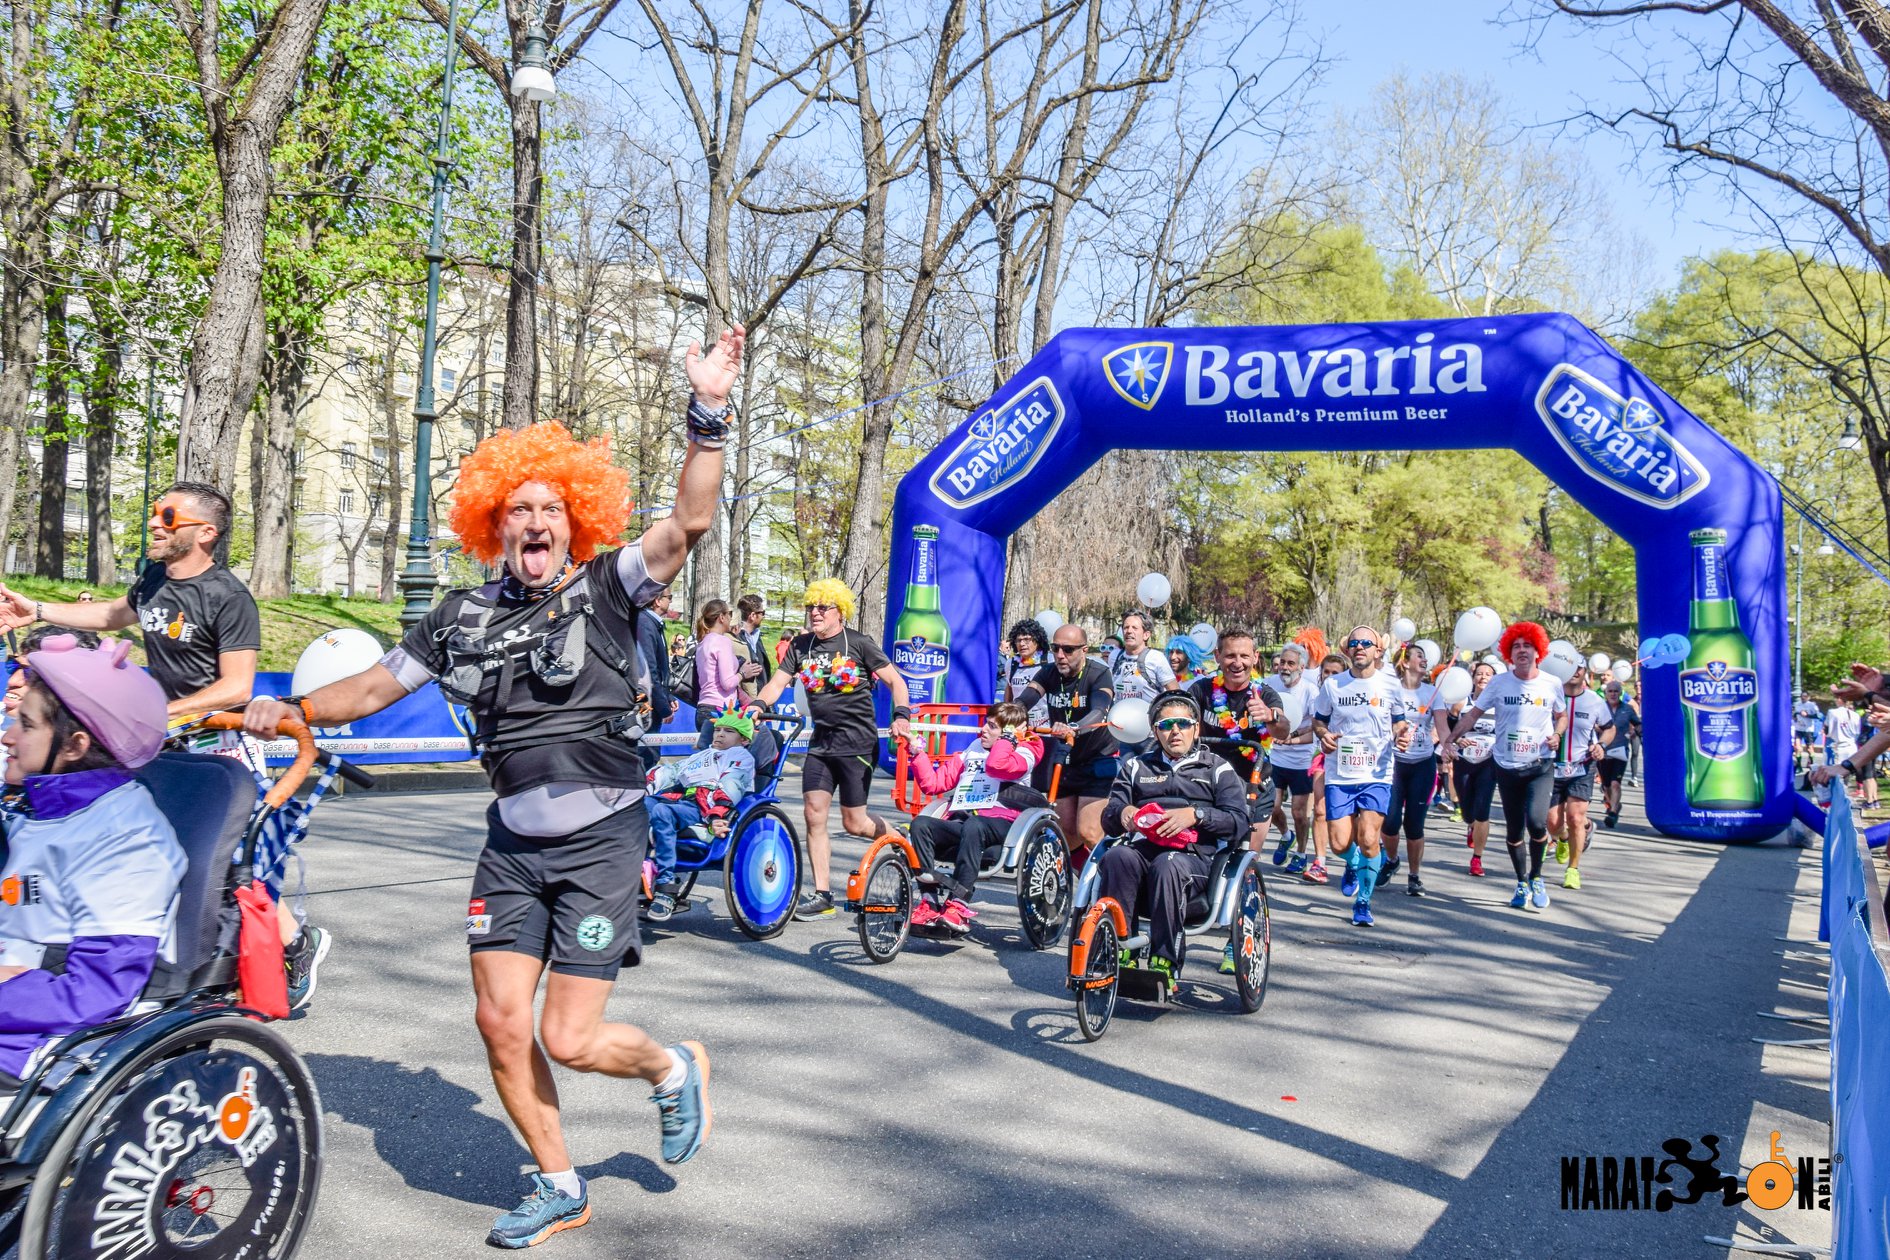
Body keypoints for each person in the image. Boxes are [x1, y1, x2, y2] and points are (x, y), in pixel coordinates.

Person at [242, 324, 743, 1247]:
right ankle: (560, 1183)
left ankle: (672, 1068)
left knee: (571, 1038)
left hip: (600, 840)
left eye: (553, 507)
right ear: (494, 524)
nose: (537, 521)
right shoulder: (459, 614)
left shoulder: (605, 586)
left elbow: (689, 524)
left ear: (575, 520)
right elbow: (372, 687)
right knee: (499, 1021)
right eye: (518, 508)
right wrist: (291, 710)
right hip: (512, 846)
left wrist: (706, 414)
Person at [0, 483, 330, 1010]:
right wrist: (36, 609)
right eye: (155, 514)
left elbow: (237, 687)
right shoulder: (155, 578)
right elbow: (111, 615)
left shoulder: (228, 595)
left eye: (169, 517)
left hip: (215, 741)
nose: (156, 523)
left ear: (205, 532)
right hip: (156, 737)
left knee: (230, 864)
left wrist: (154, 712)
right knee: (147, 849)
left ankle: (293, 944)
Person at [0, 637, 182, 1090]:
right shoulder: (34, 808)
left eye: (24, 723)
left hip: (48, 1044)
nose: (7, 736)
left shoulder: (126, 838)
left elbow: (96, 992)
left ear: (75, 745)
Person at [751, 578, 913, 922]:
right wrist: (757, 704)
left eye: (823, 607)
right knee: (813, 813)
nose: (815, 613)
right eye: (811, 606)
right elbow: (778, 683)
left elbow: (896, 681)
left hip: (856, 743)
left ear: (840, 612)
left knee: (855, 823)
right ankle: (823, 894)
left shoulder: (859, 644)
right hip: (821, 743)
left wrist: (901, 716)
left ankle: (902, 842)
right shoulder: (800, 646)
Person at [1095, 689, 1250, 982]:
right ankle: (1119, 946)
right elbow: (1109, 817)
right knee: (1117, 856)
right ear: (1155, 730)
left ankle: (1164, 960)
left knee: (1168, 864)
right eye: (1165, 725)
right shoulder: (1135, 766)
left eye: (1182, 723)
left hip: (1194, 858)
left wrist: (1196, 815)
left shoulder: (1217, 768)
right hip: (1142, 847)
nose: (1174, 731)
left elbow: (1239, 822)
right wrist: (1123, 813)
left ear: (1196, 727)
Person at [1444, 621, 1568, 913]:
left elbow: (1561, 716)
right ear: (1509, 653)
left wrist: (1557, 735)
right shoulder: (1500, 683)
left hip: (1539, 764)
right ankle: (1521, 881)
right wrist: (1450, 739)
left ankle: (1537, 877)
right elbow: (1472, 715)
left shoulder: (1551, 683)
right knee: (1514, 831)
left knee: (1537, 823)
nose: (1522, 650)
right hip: (1506, 765)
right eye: (1516, 646)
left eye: (1527, 646)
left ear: (1538, 650)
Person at [1187, 628, 1287, 969]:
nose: (1237, 663)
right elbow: (1180, 722)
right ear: (1218, 657)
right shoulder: (1201, 690)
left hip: (1253, 788)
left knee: (1246, 863)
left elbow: (1283, 730)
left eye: (1244, 656)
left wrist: (1271, 717)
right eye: (1230, 655)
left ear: (1255, 658)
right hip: (1207, 788)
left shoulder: (1265, 693)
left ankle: (1237, 938)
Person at [904, 701, 1046, 934]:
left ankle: (958, 905)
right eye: (985, 724)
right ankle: (928, 902)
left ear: (1009, 732)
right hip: (965, 818)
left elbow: (996, 767)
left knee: (974, 825)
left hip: (1004, 823)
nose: (983, 730)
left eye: (991, 726)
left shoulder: (1027, 749)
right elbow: (934, 784)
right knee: (921, 824)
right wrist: (917, 753)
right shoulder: (973, 747)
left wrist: (1007, 741)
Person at [1311, 627, 1411, 927]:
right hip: (1340, 774)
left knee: (1369, 838)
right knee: (1340, 844)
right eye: (1354, 643)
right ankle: (1353, 864)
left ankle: (1363, 903)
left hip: (1376, 773)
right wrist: (1324, 736)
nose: (1360, 647)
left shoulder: (1391, 685)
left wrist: (1402, 736)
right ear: (1347, 651)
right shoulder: (1334, 686)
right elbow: (1319, 722)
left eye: (1366, 643)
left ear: (1378, 651)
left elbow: (1399, 723)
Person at [1013, 622, 1118, 858]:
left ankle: (1110, 880)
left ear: (1084, 650)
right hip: (1065, 758)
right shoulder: (1049, 672)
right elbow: (1026, 699)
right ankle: (1085, 886)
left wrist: (1074, 728)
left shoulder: (1099, 673)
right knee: (1067, 835)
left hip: (1097, 759)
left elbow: (1100, 711)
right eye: (1055, 648)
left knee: (1089, 831)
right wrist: (1006, 717)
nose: (1060, 655)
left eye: (1068, 650)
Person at [644, 711, 757, 921]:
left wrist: (717, 815)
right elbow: (671, 772)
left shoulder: (740, 756)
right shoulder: (701, 756)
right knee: (638, 806)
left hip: (704, 807)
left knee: (662, 811)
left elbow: (733, 784)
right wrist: (645, 784)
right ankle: (635, 872)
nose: (720, 735)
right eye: (717, 730)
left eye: (729, 731)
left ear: (744, 739)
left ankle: (666, 888)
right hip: (681, 800)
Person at [1381, 642, 1449, 898]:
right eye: (1419, 655)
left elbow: (1442, 727)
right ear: (1405, 661)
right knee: (1389, 820)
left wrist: (1448, 744)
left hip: (1422, 764)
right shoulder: (1391, 690)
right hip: (1394, 762)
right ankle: (1391, 859)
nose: (1425, 659)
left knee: (1414, 824)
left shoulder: (1433, 692)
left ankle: (1414, 876)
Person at [1548, 663, 1614, 891]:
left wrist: (1602, 745)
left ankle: (1573, 870)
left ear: (1585, 672)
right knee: (1553, 824)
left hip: (1582, 766)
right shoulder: (1549, 695)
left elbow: (1609, 728)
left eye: (1580, 667)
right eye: (1571, 667)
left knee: (1575, 817)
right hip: (1551, 767)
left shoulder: (1595, 700)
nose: (1576, 671)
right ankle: (1563, 838)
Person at [1262, 643, 1323, 877]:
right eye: (1283, 663)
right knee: (1272, 807)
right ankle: (1286, 835)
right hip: (1274, 757)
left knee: (1299, 812)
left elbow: (1316, 729)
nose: (1285, 668)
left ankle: (1300, 853)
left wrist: (1292, 738)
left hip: (1301, 760)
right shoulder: (1270, 685)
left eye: (1291, 664)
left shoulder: (1311, 691)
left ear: (1302, 667)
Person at [1445, 660, 1499, 876]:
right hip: (1465, 761)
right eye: (1479, 673)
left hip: (1489, 761)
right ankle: (1470, 824)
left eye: (1488, 674)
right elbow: (1449, 732)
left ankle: (1477, 858)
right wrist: (1457, 742)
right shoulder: (1461, 703)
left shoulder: (1500, 704)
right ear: (1473, 678)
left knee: (1483, 810)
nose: (1484, 677)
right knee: (1468, 811)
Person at [691, 599, 748, 746]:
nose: (730, 618)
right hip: (719, 711)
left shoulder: (703, 642)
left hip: (703, 707)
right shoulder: (722, 641)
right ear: (721, 618)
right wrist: (743, 673)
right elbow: (727, 683)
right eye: (729, 614)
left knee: (709, 762)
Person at [636, 587, 676, 774]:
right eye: (669, 597)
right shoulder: (644, 623)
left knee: (652, 754)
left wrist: (667, 697)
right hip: (646, 706)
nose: (671, 601)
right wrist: (662, 706)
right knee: (647, 755)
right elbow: (648, 670)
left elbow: (660, 669)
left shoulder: (653, 623)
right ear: (657, 601)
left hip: (654, 702)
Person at [1113, 611, 1177, 709]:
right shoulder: (1114, 656)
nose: (1129, 631)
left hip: (1147, 721)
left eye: (1134, 628)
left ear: (1146, 635)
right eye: (1126, 627)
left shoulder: (1156, 658)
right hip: (1118, 721)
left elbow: (1176, 693)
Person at [1598, 678, 1639, 829]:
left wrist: (1636, 731)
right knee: (1606, 785)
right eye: (1610, 691)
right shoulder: (1600, 707)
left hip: (1620, 751)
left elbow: (1638, 724)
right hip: (1602, 751)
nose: (1613, 694)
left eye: (1616, 691)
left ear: (1620, 693)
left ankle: (1613, 813)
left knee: (1616, 784)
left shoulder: (1627, 709)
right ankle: (1614, 805)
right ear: (1606, 693)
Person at [1003, 618, 1052, 726]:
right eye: (1018, 640)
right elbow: (1009, 690)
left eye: (1027, 639)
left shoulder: (1049, 660)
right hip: (1020, 724)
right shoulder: (1011, 664)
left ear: (1037, 640)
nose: (1022, 644)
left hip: (1046, 726)